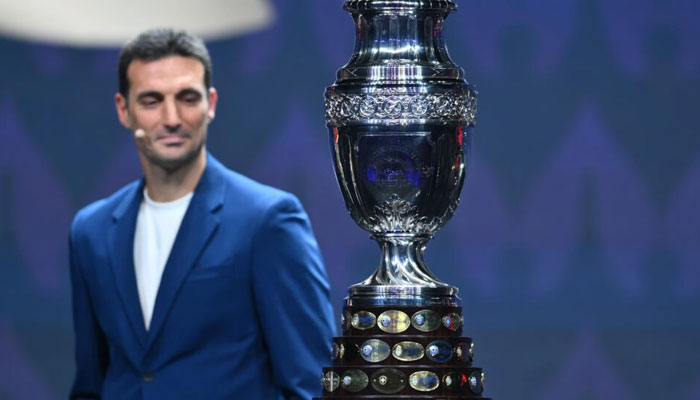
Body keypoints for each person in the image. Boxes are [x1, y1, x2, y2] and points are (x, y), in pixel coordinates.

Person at [68, 28, 335, 399]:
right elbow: (91, 384)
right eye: (151, 100)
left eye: (187, 97)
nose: (172, 117)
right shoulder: (90, 231)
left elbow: (310, 384)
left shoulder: (267, 220)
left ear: (210, 103)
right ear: (123, 109)